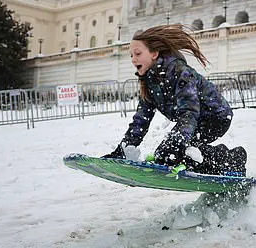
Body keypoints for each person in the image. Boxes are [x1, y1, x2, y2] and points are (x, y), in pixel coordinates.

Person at [102, 25, 247, 176]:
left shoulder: (179, 71)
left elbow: (189, 112)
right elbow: (141, 120)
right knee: (167, 155)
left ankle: (233, 159)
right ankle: (216, 167)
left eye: (137, 53)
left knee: (174, 152)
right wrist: (125, 149)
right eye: (131, 55)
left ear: (154, 53)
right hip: (192, 120)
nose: (133, 59)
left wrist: (177, 140)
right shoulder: (150, 82)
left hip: (215, 117)